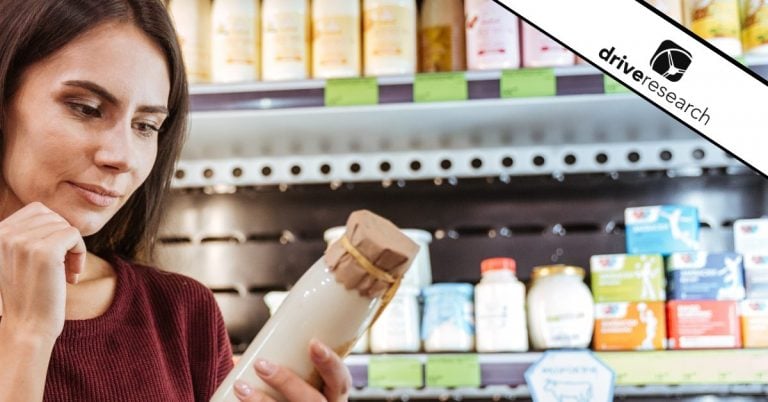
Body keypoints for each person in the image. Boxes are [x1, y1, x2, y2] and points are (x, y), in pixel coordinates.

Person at [0, 1, 352, 401]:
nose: (122, 156)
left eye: (146, 126)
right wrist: (26, 333)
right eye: (86, 109)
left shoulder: (181, 312)